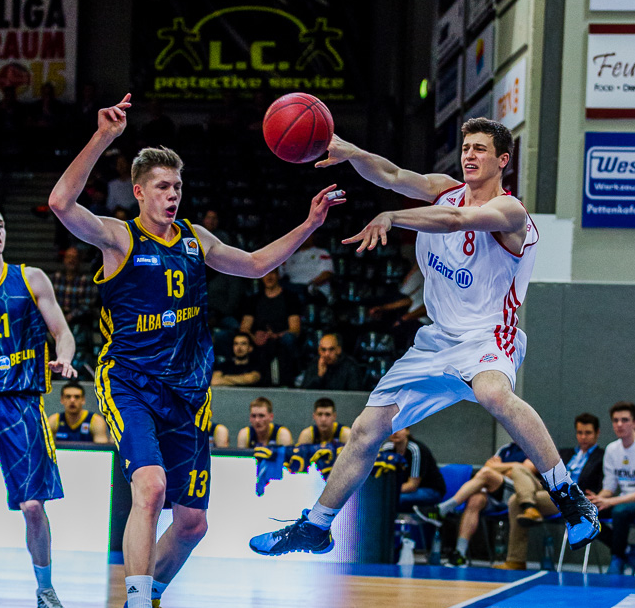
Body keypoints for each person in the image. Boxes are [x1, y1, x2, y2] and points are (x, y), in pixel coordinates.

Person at [49, 93, 343, 608]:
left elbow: (258, 264)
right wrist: (104, 136)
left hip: (188, 393)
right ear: (139, 192)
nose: (172, 195)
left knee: (192, 523)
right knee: (151, 490)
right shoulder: (118, 237)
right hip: (130, 381)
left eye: (177, 187)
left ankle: (150, 604)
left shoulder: (194, 241)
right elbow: (61, 201)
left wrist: (310, 223)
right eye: (162, 187)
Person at [249, 117, 600, 559]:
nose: (469, 155)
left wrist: (394, 216)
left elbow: (456, 220)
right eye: (466, 147)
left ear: (503, 161)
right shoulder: (442, 188)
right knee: (365, 430)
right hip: (436, 342)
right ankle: (316, 527)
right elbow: (393, 175)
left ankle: (569, 496)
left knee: (493, 394)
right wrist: (351, 151)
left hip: (489, 336)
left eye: (480, 149)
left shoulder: (511, 212)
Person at [0, 204, 77, 608]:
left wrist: (63, 359)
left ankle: (45, 591)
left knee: (32, 507)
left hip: (20, 401)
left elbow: (63, 334)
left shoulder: (29, 278)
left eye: (0, 224)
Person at [493, 412, 604, 571]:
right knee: (518, 469)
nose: (583, 437)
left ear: (597, 433)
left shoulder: (602, 457)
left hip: (574, 499)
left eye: (588, 433)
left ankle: (516, 555)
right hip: (552, 492)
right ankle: (529, 507)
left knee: (515, 500)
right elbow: (537, 469)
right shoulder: (564, 453)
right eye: (580, 432)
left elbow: (606, 484)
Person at [587, 402, 635, 574]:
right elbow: (609, 487)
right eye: (616, 420)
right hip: (622, 501)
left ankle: (617, 558)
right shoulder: (612, 450)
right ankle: (628, 550)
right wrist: (598, 500)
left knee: (619, 512)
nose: (620, 424)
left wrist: (609, 501)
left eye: (625, 420)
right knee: (587, 512)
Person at [435, 441, 534, 566]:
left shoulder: (534, 445)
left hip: (520, 493)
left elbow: (526, 469)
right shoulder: (506, 448)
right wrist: (512, 467)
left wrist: (505, 468)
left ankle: (442, 509)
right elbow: (488, 466)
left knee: (487, 474)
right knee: (475, 499)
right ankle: (460, 554)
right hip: (496, 490)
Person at [240, 268, 301, 386]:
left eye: (272, 272)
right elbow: (244, 328)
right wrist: (254, 338)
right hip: (259, 341)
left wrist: (276, 335)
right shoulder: (254, 299)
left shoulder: (290, 298)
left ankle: (291, 378)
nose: (269, 277)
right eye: (266, 273)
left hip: (282, 338)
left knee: (289, 339)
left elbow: (295, 329)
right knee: (240, 339)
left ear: (279, 275)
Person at [51, 246, 97, 373]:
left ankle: (79, 373)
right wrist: (59, 317)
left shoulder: (86, 280)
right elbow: (50, 303)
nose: (71, 261)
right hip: (57, 320)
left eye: (74, 258)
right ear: (64, 259)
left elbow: (88, 304)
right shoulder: (55, 278)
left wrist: (70, 316)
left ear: (79, 261)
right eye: (69, 257)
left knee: (81, 343)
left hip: (79, 323)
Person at [382, 427, 444, 507]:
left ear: (407, 431)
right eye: (392, 430)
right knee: (380, 499)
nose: (395, 433)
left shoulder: (415, 449)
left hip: (430, 490)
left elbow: (412, 486)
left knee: (392, 500)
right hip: (399, 490)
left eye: (400, 429)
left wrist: (387, 491)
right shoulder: (387, 448)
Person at [48, 380, 110, 444]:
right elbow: (44, 446)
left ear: (83, 400)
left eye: (77, 397)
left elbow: (102, 450)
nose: (72, 400)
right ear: (62, 400)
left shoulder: (96, 421)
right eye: (68, 397)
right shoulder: (54, 420)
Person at [297, 332, 363, 391]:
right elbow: (304, 394)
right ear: (319, 350)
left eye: (331, 349)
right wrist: (319, 376)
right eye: (323, 350)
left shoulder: (350, 366)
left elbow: (354, 395)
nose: (327, 354)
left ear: (339, 350)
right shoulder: (314, 364)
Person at [280, 232, 334, 302]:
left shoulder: (322, 253)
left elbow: (327, 273)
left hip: (314, 290)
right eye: (302, 234)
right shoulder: (290, 257)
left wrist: (311, 284)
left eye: (307, 234)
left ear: (312, 236)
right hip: (292, 290)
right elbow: (279, 275)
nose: (304, 237)